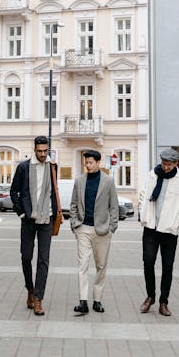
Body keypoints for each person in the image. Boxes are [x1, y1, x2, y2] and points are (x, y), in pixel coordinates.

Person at [138, 147, 179, 317]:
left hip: (169, 230)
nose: (165, 167)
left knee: (167, 266)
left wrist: (178, 223)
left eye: (169, 164)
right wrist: (142, 213)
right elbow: (142, 195)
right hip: (151, 227)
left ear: (176, 164)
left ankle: (164, 301)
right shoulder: (152, 175)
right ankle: (150, 296)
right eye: (164, 163)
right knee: (148, 262)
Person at [10, 135, 60, 316]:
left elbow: (54, 191)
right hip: (29, 219)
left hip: (47, 218)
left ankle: (38, 298)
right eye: (39, 151)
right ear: (34, 150)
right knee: (26, 257)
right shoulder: (24, 167)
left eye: (45, 151)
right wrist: (21, 212)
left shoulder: (53, 166)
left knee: (43, 260)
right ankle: (30, 289)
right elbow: (13, 191)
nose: (42, 154)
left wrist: (55, 212)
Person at [69, 149, 119, 315]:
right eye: (86, 163)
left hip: (102, 231)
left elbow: (113, 206)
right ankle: (83, 301)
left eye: (91, 163)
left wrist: (112, 227)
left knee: (101, 266)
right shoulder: (79, 181)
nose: (88, 166)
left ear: (98, 163)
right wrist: (75, 224)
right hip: (83, 228)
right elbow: (74, 204)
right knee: (82, 264)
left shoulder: (108, 181)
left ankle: (97, 300)